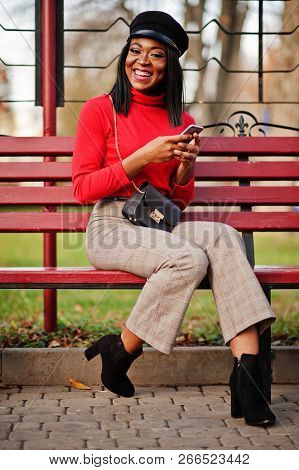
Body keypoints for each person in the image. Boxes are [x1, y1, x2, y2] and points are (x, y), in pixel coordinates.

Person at [72, 11, 277, 427]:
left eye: (156, 55)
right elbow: (82, 189)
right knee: (188, 258)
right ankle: (121, 351)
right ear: (125, 55)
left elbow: (178, 201)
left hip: (158, 225)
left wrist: (185, 169)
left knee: (223, 235)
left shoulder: (180, 121)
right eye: (135, 50)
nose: (142, 61)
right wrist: (141, 158)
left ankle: (248, 374)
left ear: (170, 65)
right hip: (111, 226)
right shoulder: (99, 111)